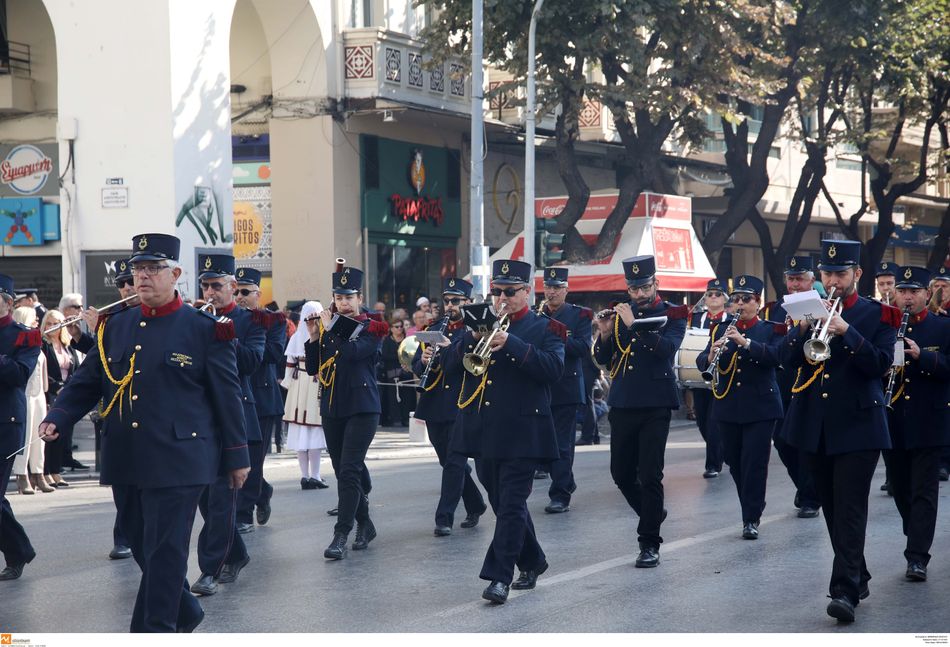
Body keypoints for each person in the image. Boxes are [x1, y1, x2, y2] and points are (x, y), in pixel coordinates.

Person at [40, 233, 250, 632]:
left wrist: (237, 456)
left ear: (175, 274)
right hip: (127, 457)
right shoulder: (115, 326)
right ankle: (185, 611)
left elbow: (228, 396)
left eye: (153, 268)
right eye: (138, 269)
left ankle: (154, 632)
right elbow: (88, 381)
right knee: (141, 546)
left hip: (181, 459)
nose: (143, 277)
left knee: (166, 552)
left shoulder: (205, 328)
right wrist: (59, 415)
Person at [778, 239, 899, 623]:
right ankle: (858, 572)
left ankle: (844, 591)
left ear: (857, 275)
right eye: (827, 273)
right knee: (832, 507)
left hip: (859, 425)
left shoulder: (881, 315)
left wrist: (845, 330)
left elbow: (881, 364)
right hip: (815, 425)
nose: (833, 279)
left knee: (849, 508)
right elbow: (786, 361)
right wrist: (801, 331)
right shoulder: (807, 310)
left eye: (840, 273)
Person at [446, 259, 564, 604]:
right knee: (501, 503)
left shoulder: (547, 329)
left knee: (512, 504)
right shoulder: (479, 324)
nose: (501, 298)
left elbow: (553, 370)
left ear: (527, 291)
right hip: (484, 430)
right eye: (497, 291)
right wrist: (470, 338)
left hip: (525, 430)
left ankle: (499, 577)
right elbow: (452, 368)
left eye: (510, 292)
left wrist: (510, 342)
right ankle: (534, 560)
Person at [592, 255, 688, 568]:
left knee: (650, 475)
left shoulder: (673, 312)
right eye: (633, 289)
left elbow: (666, 351)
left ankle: (649, 543)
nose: (639, 294)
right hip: (622, 401)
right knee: (620, 473)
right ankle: (652, 512)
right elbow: (605, 358)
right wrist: (606, 331)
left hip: (656, 403)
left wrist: (636, 326)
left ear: (656, 284)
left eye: (644, 287)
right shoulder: (620, 313)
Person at [190, 254, 264, 596]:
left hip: (236, 418)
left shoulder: (252, 321)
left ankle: (209, 569)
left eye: (216, 286)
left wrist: (223, 333)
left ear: (232, 287)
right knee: (207, 501)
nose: (209, 292)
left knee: (222, 500)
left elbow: (251, 362)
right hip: (200, 420)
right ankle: (237, 553)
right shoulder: (194, 318)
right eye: (205, 285)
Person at [305, 265, 388, 560]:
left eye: (349, 297)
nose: (344, 303)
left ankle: (342, 533)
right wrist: (315, 336)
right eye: (339, 297)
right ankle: (366, 523)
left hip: (363, 407)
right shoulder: (328, 327)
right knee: (343, 472)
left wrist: (331, 329)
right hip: (332, 405)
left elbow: (353, 355)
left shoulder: (372, 326)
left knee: (350, 469)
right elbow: (314, 368)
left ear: (359, 297)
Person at [696, 276, 785, 539]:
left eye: (746, 299)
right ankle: (752, 503)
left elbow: (776, 357)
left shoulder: (771, 329)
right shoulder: (719, 328)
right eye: (735, 299)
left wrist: (745, 343)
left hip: (761, 406)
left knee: (754, 463)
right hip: (727, 405)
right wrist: (711, 355)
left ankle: (751, 516)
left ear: (757, 302)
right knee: (734, 463)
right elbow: (702, 359)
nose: (739, 304)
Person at [883, 266, 950, 582]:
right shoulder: (885, 326)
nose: (907, 297)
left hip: (929, 420)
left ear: (927, 294)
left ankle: (917, 556)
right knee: (899, 486)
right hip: (892, 419)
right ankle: (916, 531)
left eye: (914, 292)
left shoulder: (942, 327)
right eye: (902, 291)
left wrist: (922, 355)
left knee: (924, 491)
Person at [411, 277, 487, 536]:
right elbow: (417, 367)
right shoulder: (433, 328)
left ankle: (444, 518)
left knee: (455, 461)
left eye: (456, 301)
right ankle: (476, 503)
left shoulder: (476, 329)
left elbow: (474, 364)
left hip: (461, 403)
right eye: (447, 301)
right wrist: (422, 360)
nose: (450, 305)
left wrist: (448, 349)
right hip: (434, 404)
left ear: (468, 302)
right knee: (447, 461)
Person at [762, 255, 822, 518]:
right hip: (782, 384)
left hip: (809, 383)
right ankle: (805, 485)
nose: (795, 284)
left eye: (800, 279)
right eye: (791, 278)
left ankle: (811, 496)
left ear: (811, 281)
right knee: (783, 443)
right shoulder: (776, 309)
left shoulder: (822, 307)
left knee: (805, 443)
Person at [235, 267, 287, 529]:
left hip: (263, 398)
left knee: (254, 460)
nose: (240, 296)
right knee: (236, 458)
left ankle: (243, 514)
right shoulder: (225, 318)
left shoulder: (272, 320)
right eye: (236, 291)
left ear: (258, 293)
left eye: (245, 292)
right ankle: (262, 491)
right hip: (234, 396)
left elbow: (275, 353)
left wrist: (242, 341)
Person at [539, 267, 592, 514]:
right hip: (541, 386)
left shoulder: (579, 315)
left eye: (557, 288)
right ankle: (566, 481)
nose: (551, 292)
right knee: (543, 441)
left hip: (567, 387)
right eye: (548, 287)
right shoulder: (536, 314)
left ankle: (560, 494)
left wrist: (555, 337)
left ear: (566, 289)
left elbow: (582, 347)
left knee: (562, 444)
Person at [0, 274, 42, 581]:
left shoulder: (24, 336)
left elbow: (19, 374)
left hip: (5, 421)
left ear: (8, 303)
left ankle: (18, 550)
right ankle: (19, 550)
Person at [283, 301, 329, 490]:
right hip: (315, 382)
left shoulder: (295, 336)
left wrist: (287, 384)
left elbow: (289, 364)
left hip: (297, 384)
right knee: (315, 430)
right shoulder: (322, 336)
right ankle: (315, 476)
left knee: (300, 432)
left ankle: (305, 476)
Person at [689, 278, 728, 478]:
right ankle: (722, 450)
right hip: (699, 374)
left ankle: (713, 464)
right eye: (710, 294)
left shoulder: (730, 319)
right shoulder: (696, 319)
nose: (713, 297)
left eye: (718, 294)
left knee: (714, 422)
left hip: (722, 376)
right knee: (702, 421)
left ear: (724, 298)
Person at [40, 310, 84, 488]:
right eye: (49, 323)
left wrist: (71, 386)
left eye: (56, 323)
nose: (53, 327)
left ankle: (56, 470)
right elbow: (43, 372)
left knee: (63, 434)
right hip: (51, 393)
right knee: (49, 433)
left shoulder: (68, 345)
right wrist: (57, 387)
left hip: (67, 392)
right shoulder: (44, 345)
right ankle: (46, 471)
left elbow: (78, 368)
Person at [11, 307, 48, 495]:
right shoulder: (18, 339)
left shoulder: (35, 340)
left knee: (38, 436)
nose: (37, 323)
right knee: (24, 437)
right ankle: (21, 474)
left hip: (38, 393)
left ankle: (38, 472)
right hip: (24, 394)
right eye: (34, 319)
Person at [379, 315, 415, 426]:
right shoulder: (387, 341)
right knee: (393, 397)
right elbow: (385, 356)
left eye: (401, 326)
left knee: (407, 397)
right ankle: (395, 419)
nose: (399, 329)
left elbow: (412, 354)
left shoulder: (407, 340)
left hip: (406, 371)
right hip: (392, 373)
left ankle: (406, 418)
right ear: (391, 328)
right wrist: (400, 356)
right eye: (397, 327)